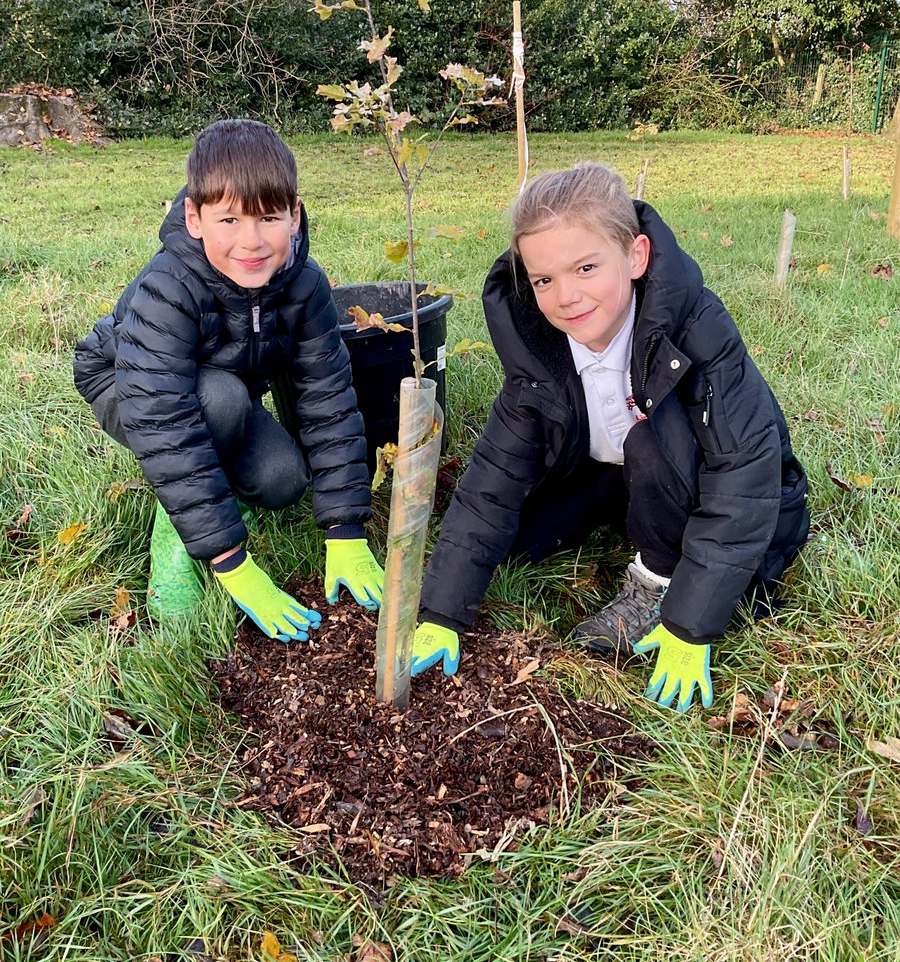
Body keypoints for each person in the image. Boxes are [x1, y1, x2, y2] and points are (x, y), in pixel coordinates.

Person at [410, 163, 809, 710]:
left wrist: (691, 626)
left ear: (636, 256)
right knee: (520, 538)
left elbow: (744, 474)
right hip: (620, 473)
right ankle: (637, 518)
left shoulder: (697, 332)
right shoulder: (542, 350)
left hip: (720, 487)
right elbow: (491, 483)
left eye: (586, 267)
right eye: (544, 280)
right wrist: (441, 611)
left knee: (646, 442)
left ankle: (655, 581)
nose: (566, 296)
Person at [74, 119, 384, 641]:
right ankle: (176, 545)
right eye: (229, 219)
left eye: (269, 217)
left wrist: (345, 529)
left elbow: (327, 399)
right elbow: (164, 420)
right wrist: (231, 561)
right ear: (194, 218)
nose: (252, 240)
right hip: (126, 384)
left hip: (221, 389)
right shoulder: (168, 288)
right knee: (215, 402)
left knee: (283, 479)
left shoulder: (306, 287)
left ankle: (210, 492)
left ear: (295, 214)